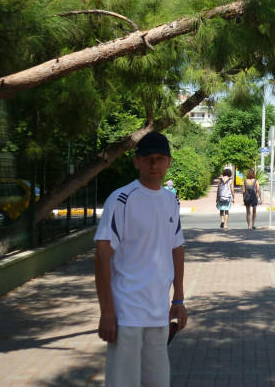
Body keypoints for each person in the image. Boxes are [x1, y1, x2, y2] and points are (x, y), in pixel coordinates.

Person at [94, 131, 187, 387]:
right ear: (137, 162)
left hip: (159, 314)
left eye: (160, 159)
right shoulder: (121, 199)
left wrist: (178, 299)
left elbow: (176, 248)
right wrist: (107, 311)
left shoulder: (170, 200)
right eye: (148, 159)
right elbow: (102, 254)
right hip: (126, 316)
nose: (154, 164)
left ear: (169, 162)